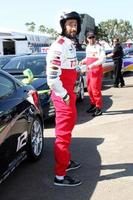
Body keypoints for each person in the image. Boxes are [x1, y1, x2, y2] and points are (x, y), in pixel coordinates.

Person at [46, 11, 82, 187]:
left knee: (68, 130)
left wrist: (80, 70)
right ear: (62, 26)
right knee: (63, 136)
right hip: (63, 96)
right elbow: (52, 79)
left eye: (75, 24)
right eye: (69, 24)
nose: (73, 28)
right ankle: (60, 176)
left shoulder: (70, 44)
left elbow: (68, 69)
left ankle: (65, 162)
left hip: (69, 94)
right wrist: (66, 95)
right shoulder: (58, 46)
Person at [80, 32, 105, 117]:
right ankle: (93, 105)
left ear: (95, 37)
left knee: (95, 90)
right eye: (90, 37)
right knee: (89, 89)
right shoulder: (88, 47)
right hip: (89, 71)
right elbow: (88, 57)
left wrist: (92, 65)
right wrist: (83, 61)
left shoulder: (99, 47)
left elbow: (102, 59)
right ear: (87, 39)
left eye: (93, 37)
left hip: (96, 71)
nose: (91, 39)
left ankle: (98, 108)